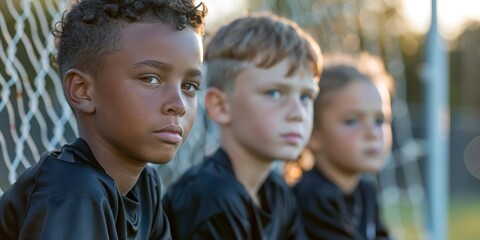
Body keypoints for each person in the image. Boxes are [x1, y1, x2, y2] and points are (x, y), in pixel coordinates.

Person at [0, 0, 207, 239]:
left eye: (190, 86)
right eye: (150, 79)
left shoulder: (144, 185)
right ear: (82, 90)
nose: (178, 105)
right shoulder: (72, 193)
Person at [162, 12, 322, 240]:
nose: (298, 113)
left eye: (306, 97)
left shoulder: (276, 191)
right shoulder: (212, 197)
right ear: (220, 106)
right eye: (275, 93)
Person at [292, 52, 394, 240]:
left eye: (380, 120)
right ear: (314, 135)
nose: (372, 133)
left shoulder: (365, 191)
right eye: (352, 121)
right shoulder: (313, 196)